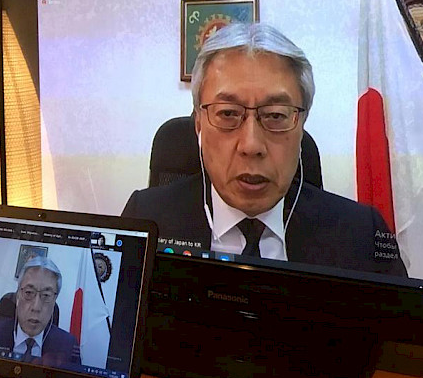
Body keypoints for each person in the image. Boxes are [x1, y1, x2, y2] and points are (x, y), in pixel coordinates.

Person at [122, 23, 406, 276]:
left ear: (301, 124)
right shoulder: (145, 218)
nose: (251, 145)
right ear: (199, 124)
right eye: (228, 113)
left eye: (275, 115)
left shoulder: (362, 234)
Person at [0, 257, 81, 367]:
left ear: (55, 300)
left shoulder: (69, 346)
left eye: (46, 295)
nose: (36, 307)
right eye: (29, 292)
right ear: (18, 296)